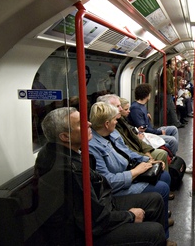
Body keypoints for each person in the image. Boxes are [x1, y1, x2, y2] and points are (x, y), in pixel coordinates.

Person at [33, 107, 169, 246]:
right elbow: (94, 219)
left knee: (155, 200)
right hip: (84, 232)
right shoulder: (70, 170)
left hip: (102, 204)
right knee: (155, 232)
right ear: (65, 136)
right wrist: (130, 215)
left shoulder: (64, 153)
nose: (89, 124)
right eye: (81, 123)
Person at [88, 102, 174, 238]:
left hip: (129, 171)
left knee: (164, 176)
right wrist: (136, 172)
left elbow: (127, 152)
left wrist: (147, 161)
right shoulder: (92, 147)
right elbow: (107, 181)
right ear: (106, 123)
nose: (117, 122)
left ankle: (158, 215)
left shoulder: (113, 134)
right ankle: (163, 234)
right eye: (115, 120)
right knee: (162, 188)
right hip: (117, 187)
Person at [97, 94, 170, 171]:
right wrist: (147, 158)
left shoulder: (121, 121)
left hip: (138, 149)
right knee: (164, 151)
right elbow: (126, 149)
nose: (121, 109)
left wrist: (147, 152)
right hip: (134, 154)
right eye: (118, 106)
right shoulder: (111, 129)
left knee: (167, 143)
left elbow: (134, 138)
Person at [128, 83, 179, 156]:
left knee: (173, 129)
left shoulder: (140, 105)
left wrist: (147, 113)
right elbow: (143, 128)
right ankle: (172, 157)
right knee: (173, 140)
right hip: (148, 135)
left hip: (151, 130)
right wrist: (159, 132)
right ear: (147, 95)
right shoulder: (136, 109)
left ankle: (172, 153)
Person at [161, 59, 185, 128]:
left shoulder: (168, 71)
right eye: (173, 64)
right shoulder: (167, 71)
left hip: (167, 92)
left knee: (172, 108)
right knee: (165, 109)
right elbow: (166, 83)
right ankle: (162, 124)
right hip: (166, 93)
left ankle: (176, 123)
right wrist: (171, 91)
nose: (174, 66)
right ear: (169, 65)